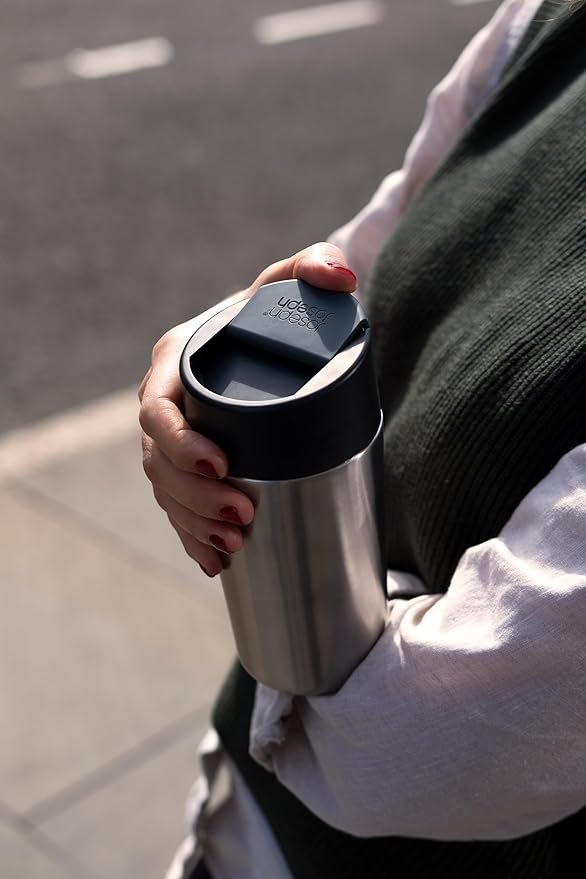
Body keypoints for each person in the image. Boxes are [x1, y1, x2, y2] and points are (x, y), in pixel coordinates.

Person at [138, 0, 586, 876]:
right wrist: (196, 370)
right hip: (241, 802)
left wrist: (297, 574)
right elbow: (350, 277)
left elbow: (426, 748)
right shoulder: (543, 22)